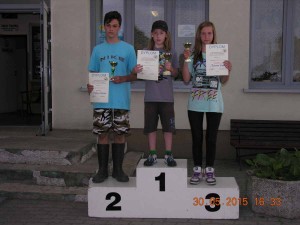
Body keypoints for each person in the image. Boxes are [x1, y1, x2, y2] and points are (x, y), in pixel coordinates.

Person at [87, 11, 142, 183]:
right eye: (108, 25)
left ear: (119, 27)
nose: (111, 29)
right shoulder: (97, 50)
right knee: (102, 135)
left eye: (115, 26)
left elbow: (135, 75)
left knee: (120, 135)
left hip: (121, 101)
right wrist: (91, 87)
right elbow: (94, 74)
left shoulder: (128, 49)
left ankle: (118, 170)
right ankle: (102, 171)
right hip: (101, 101)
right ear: (104, 27)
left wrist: (123, 78)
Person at [182, 21, 232, 185]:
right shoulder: (193, 54)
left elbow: (223, 81)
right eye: (203, 33)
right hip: (195, 103)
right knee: (197, 138)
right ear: (199, 35)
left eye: (209, 33)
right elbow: (186, 79)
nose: (206, 37)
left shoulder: (219, 53)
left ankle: (209, 169)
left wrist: (228, 70)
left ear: (213, 35)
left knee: (211, 138)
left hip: (214, 103)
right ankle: (197, 169)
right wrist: (186, 60)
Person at [142, 20, 178, 167]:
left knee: (168, 128)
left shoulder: (171, 53)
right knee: (150, 127)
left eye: (161, 33)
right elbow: (141, 74)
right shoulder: (146, 53)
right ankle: (152, 154)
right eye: (155, 33)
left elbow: (176, 74)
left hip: (167, 98)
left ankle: (168, 154)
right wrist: (139, 70)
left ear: (166, 35)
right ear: (151, 35)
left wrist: (171, 68)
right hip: (150, 97)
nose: (158, 36)